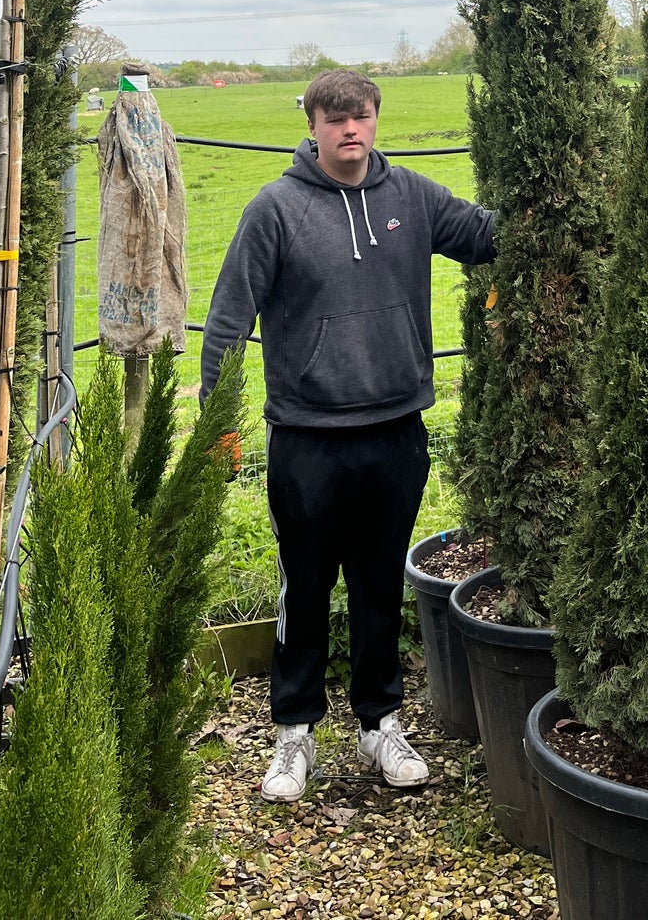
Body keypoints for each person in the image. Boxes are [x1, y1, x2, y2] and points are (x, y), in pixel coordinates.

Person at [200, 67, 495, 801]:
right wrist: (216, 421)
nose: (349, 129)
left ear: (374, 117)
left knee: (378, 582)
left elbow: (484, 235)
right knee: (305, 586)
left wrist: (563, 196)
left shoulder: (414, 197)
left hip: (396, 429)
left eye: (359, 115)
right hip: (307, 436)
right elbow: (229, 315)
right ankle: (292, 736)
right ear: (312, 125)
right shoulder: (275, 209)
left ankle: (380, 724)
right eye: (334, 119)